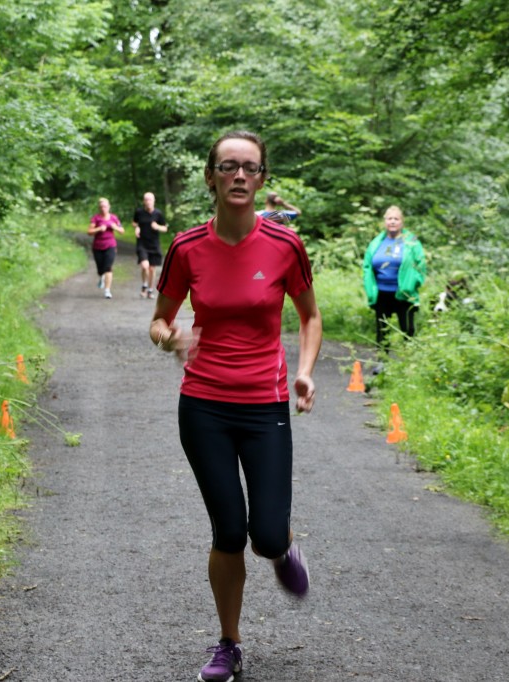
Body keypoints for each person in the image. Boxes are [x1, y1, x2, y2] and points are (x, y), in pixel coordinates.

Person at [149, 130, 322, 682]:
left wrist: (304, 371)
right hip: (203, 405)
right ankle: (230, 643)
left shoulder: (284, 246)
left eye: (251, 167)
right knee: (229, 532)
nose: (240, 176)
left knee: (266, 535)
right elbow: (159, 317)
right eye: (229, 166)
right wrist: (170, 336)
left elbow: (310, 316)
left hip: (266, 403)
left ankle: (284, 547)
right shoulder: (186, 247)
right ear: (211, 177)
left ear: (263, 179)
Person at [362, 205, 426, 349]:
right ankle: (382, 362)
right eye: (389, 219)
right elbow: (366, 265)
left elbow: (420, 264)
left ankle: (410, 363)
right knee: (382, 330)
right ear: (385, 222)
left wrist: (413, 284)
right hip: (381, 293)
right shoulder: (377, 241)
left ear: (402, 222)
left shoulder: (412, 240)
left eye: (396, 219)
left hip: (404, 293)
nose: (392, 222)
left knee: (408, 330)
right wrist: (368, 286)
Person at [87, 197, 124, 298]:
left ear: (109, 207)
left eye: (105, 206)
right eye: (101, 207)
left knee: (108, 267)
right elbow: (89, 232)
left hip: (110, 245)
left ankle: (107, 290)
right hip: (98, 247)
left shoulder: (114, 218)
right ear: (99, 208)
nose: (103, 208)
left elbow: (122, 231)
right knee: (100, 269)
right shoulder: (96, 218)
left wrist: (115, 227)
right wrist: (99, 229)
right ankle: (101, 276)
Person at [132, 191, 167, 298]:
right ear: (143, 201)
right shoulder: (139, 212)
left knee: (152, 268)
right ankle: (144, 285)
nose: (148, 202)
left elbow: (165, 228)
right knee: (145, 266)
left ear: (154, 201)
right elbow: (134, 222)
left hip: (154, 244)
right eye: (146, 199)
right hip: (142, 243)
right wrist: (137, 227)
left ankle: (150, 290)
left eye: (150, 199)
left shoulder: (158, 214)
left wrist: (157, 227)